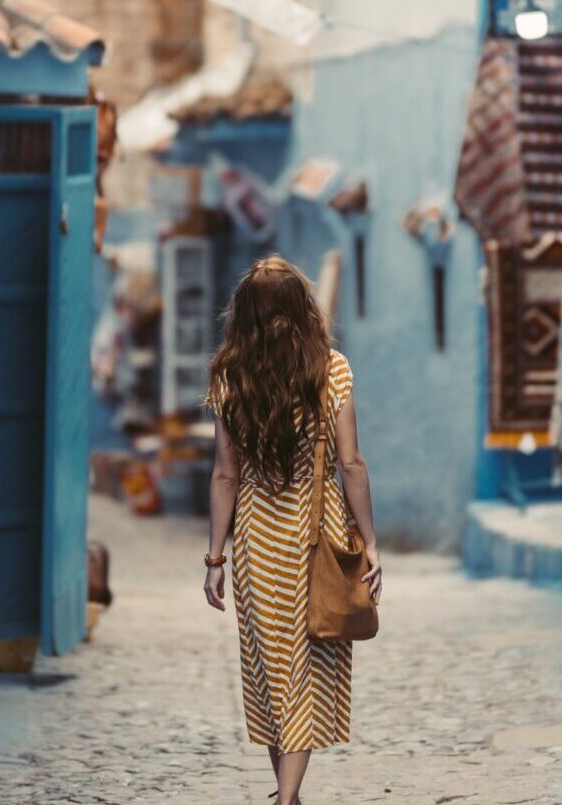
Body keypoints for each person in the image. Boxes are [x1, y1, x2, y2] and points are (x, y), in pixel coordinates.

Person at [203, 255, 382, 805]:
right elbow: (350, 463)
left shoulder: (229, 377)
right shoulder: (332, 369)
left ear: (247, 314)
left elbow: (225, 474)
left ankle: (287, 793)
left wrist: (216, 558)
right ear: (303, 306)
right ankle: (287, 800)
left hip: (258, 538)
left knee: (271, 666)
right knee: (302, 667)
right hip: (317, 530)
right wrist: (370, 541)